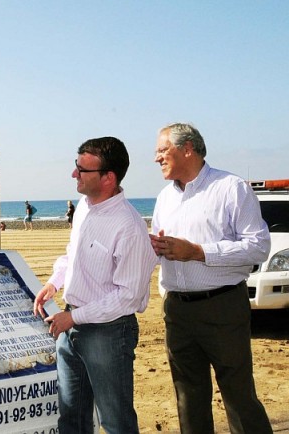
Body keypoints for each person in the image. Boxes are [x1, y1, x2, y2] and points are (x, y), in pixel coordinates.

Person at [150, 123, 272, 434]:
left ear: (187, 149)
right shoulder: (165, 198)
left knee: (239, 398)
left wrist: (197, 252)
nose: (156, 158)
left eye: (162, 150)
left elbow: (258, 247)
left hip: (222, 307)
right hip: (177, 311)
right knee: (188, 400)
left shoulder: (231, 188)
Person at [33, 137, 157, 434]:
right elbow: (73, 254)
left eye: (82, 169)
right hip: (71, 323)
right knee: (71, 418)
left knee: (115, 422)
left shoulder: (129, 226)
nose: (73, 174)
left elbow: (128, 297)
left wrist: (73, 318)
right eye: (76, 166)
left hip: (108, 332)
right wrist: (54, 283)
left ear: (108, 178)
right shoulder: (84, 207)